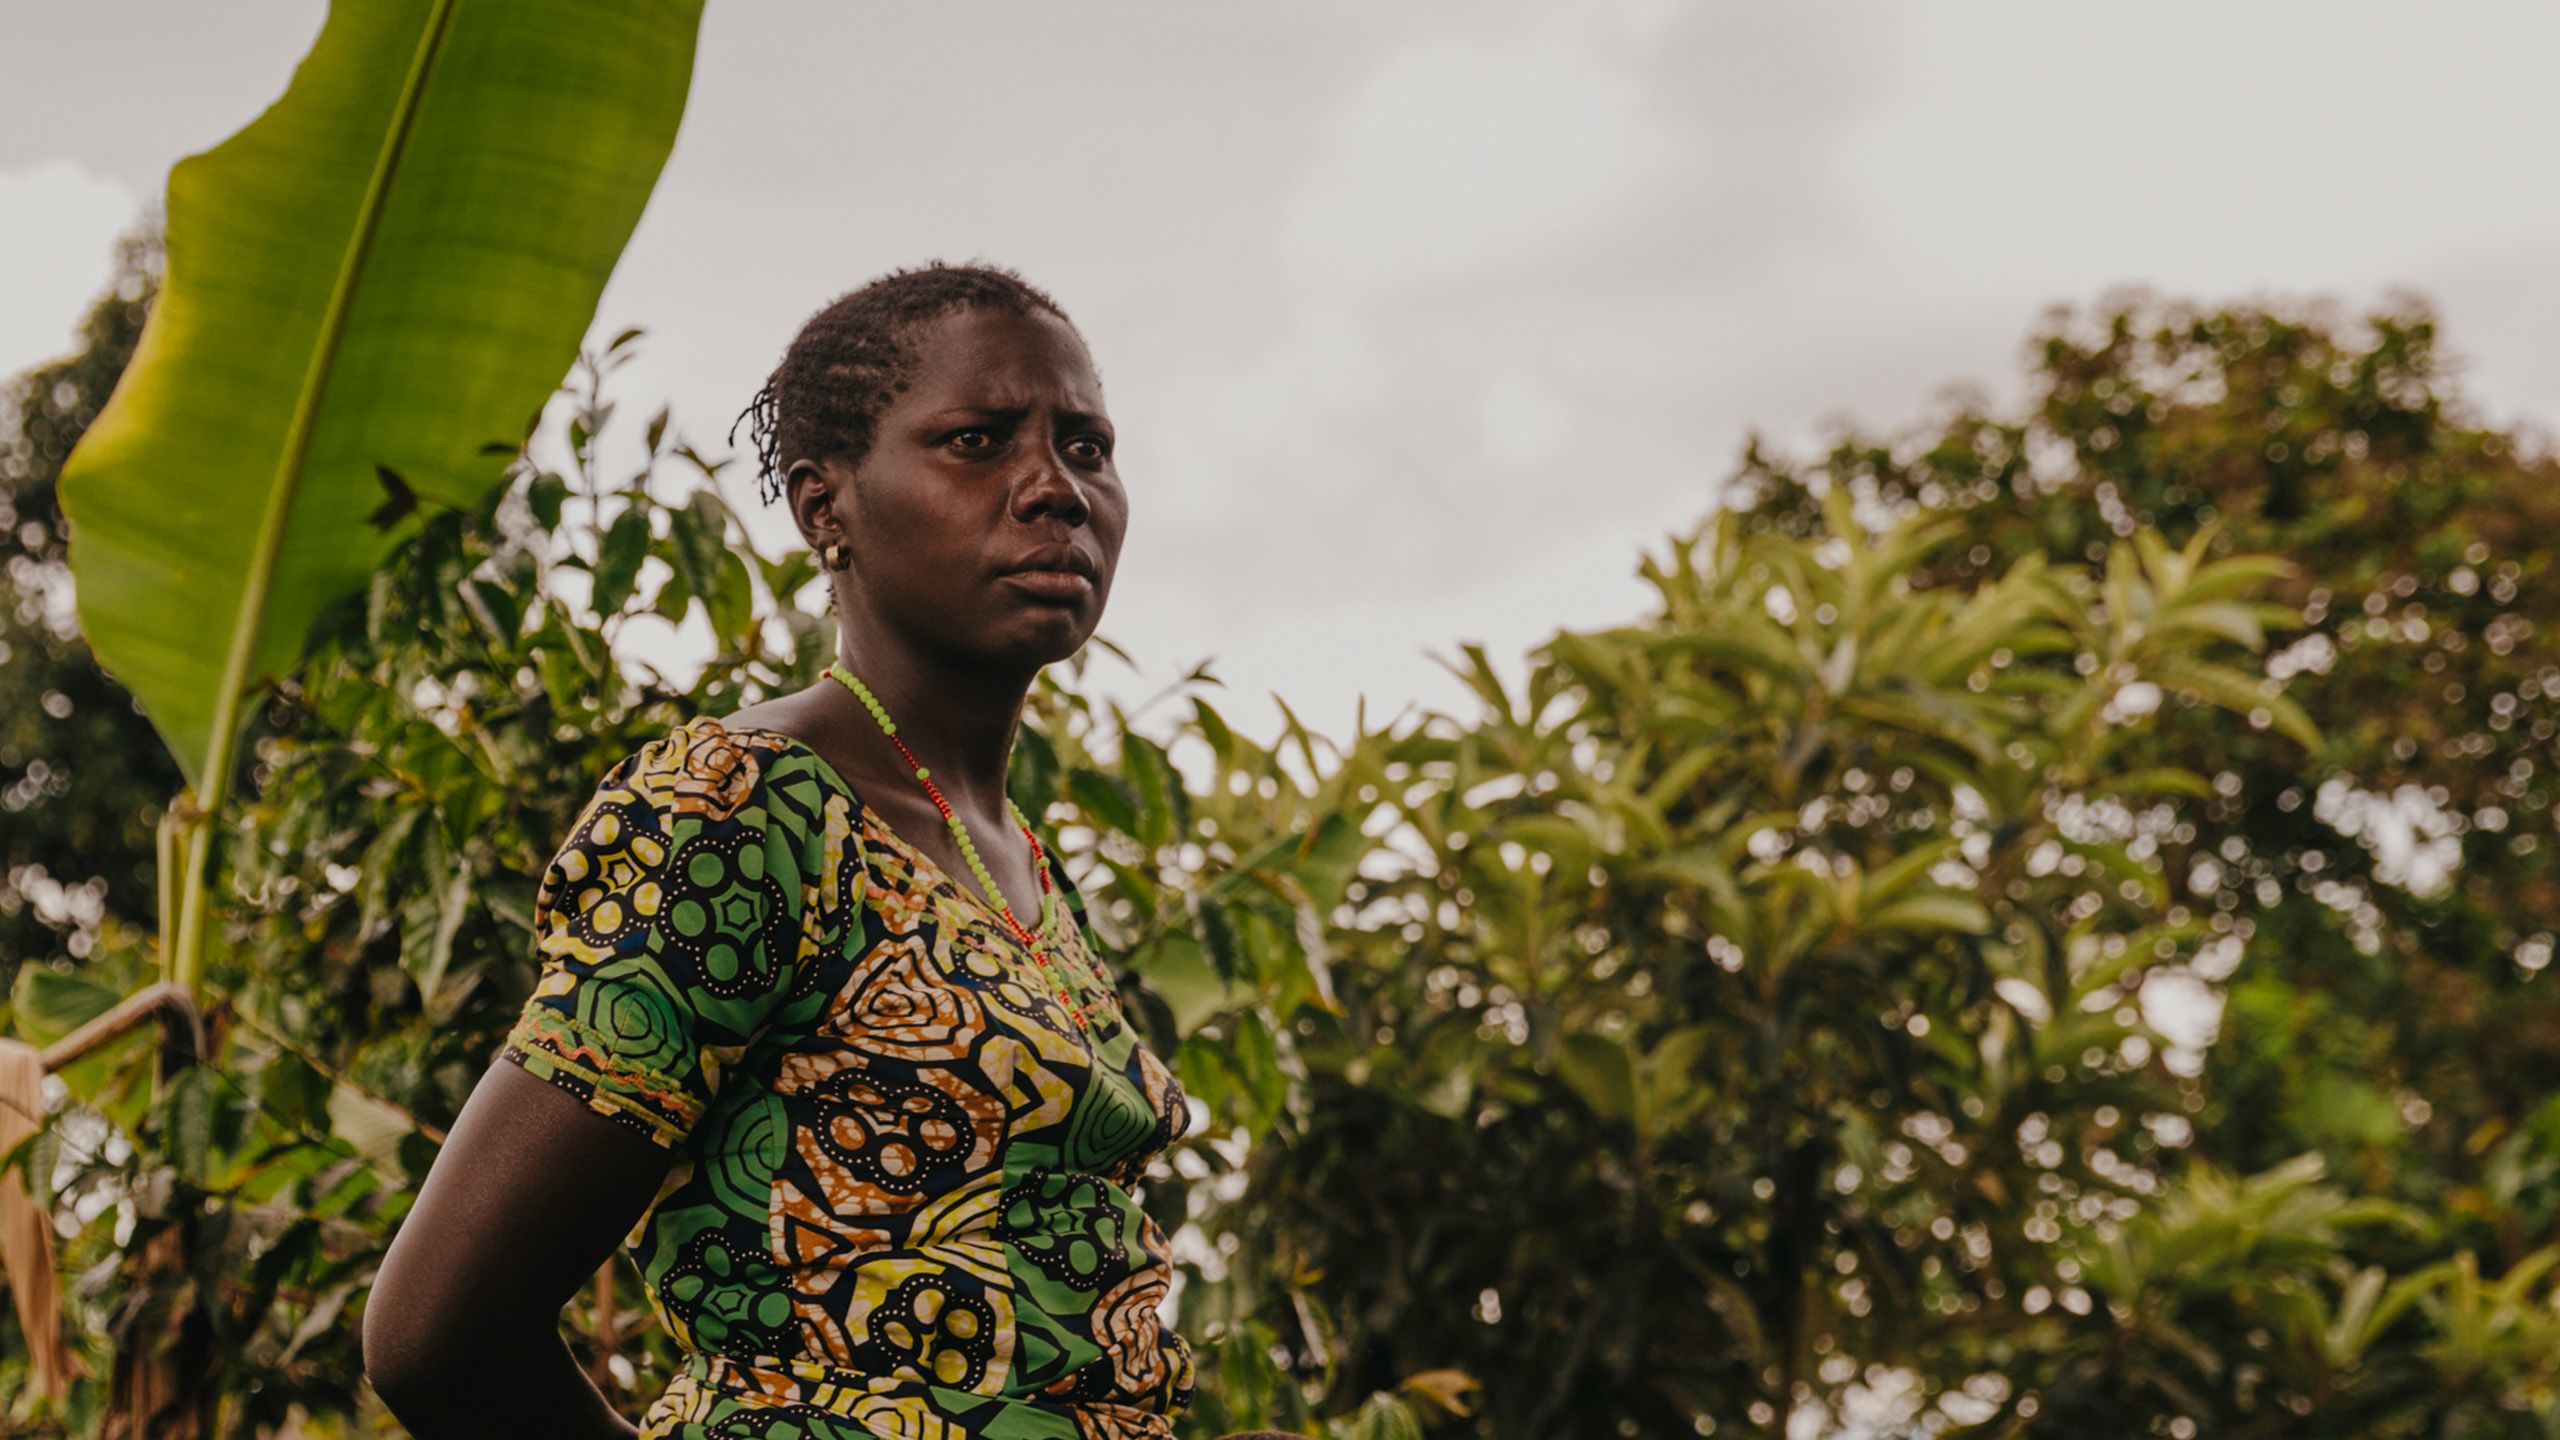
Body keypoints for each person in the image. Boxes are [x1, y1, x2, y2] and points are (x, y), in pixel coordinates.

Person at [363, 263, 1200, 1440]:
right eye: (976, 441)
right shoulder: (745, 813)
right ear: (825, 508)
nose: (1054, 490)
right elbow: (435, 1338)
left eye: (1086, 446)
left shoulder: (1008, 854)